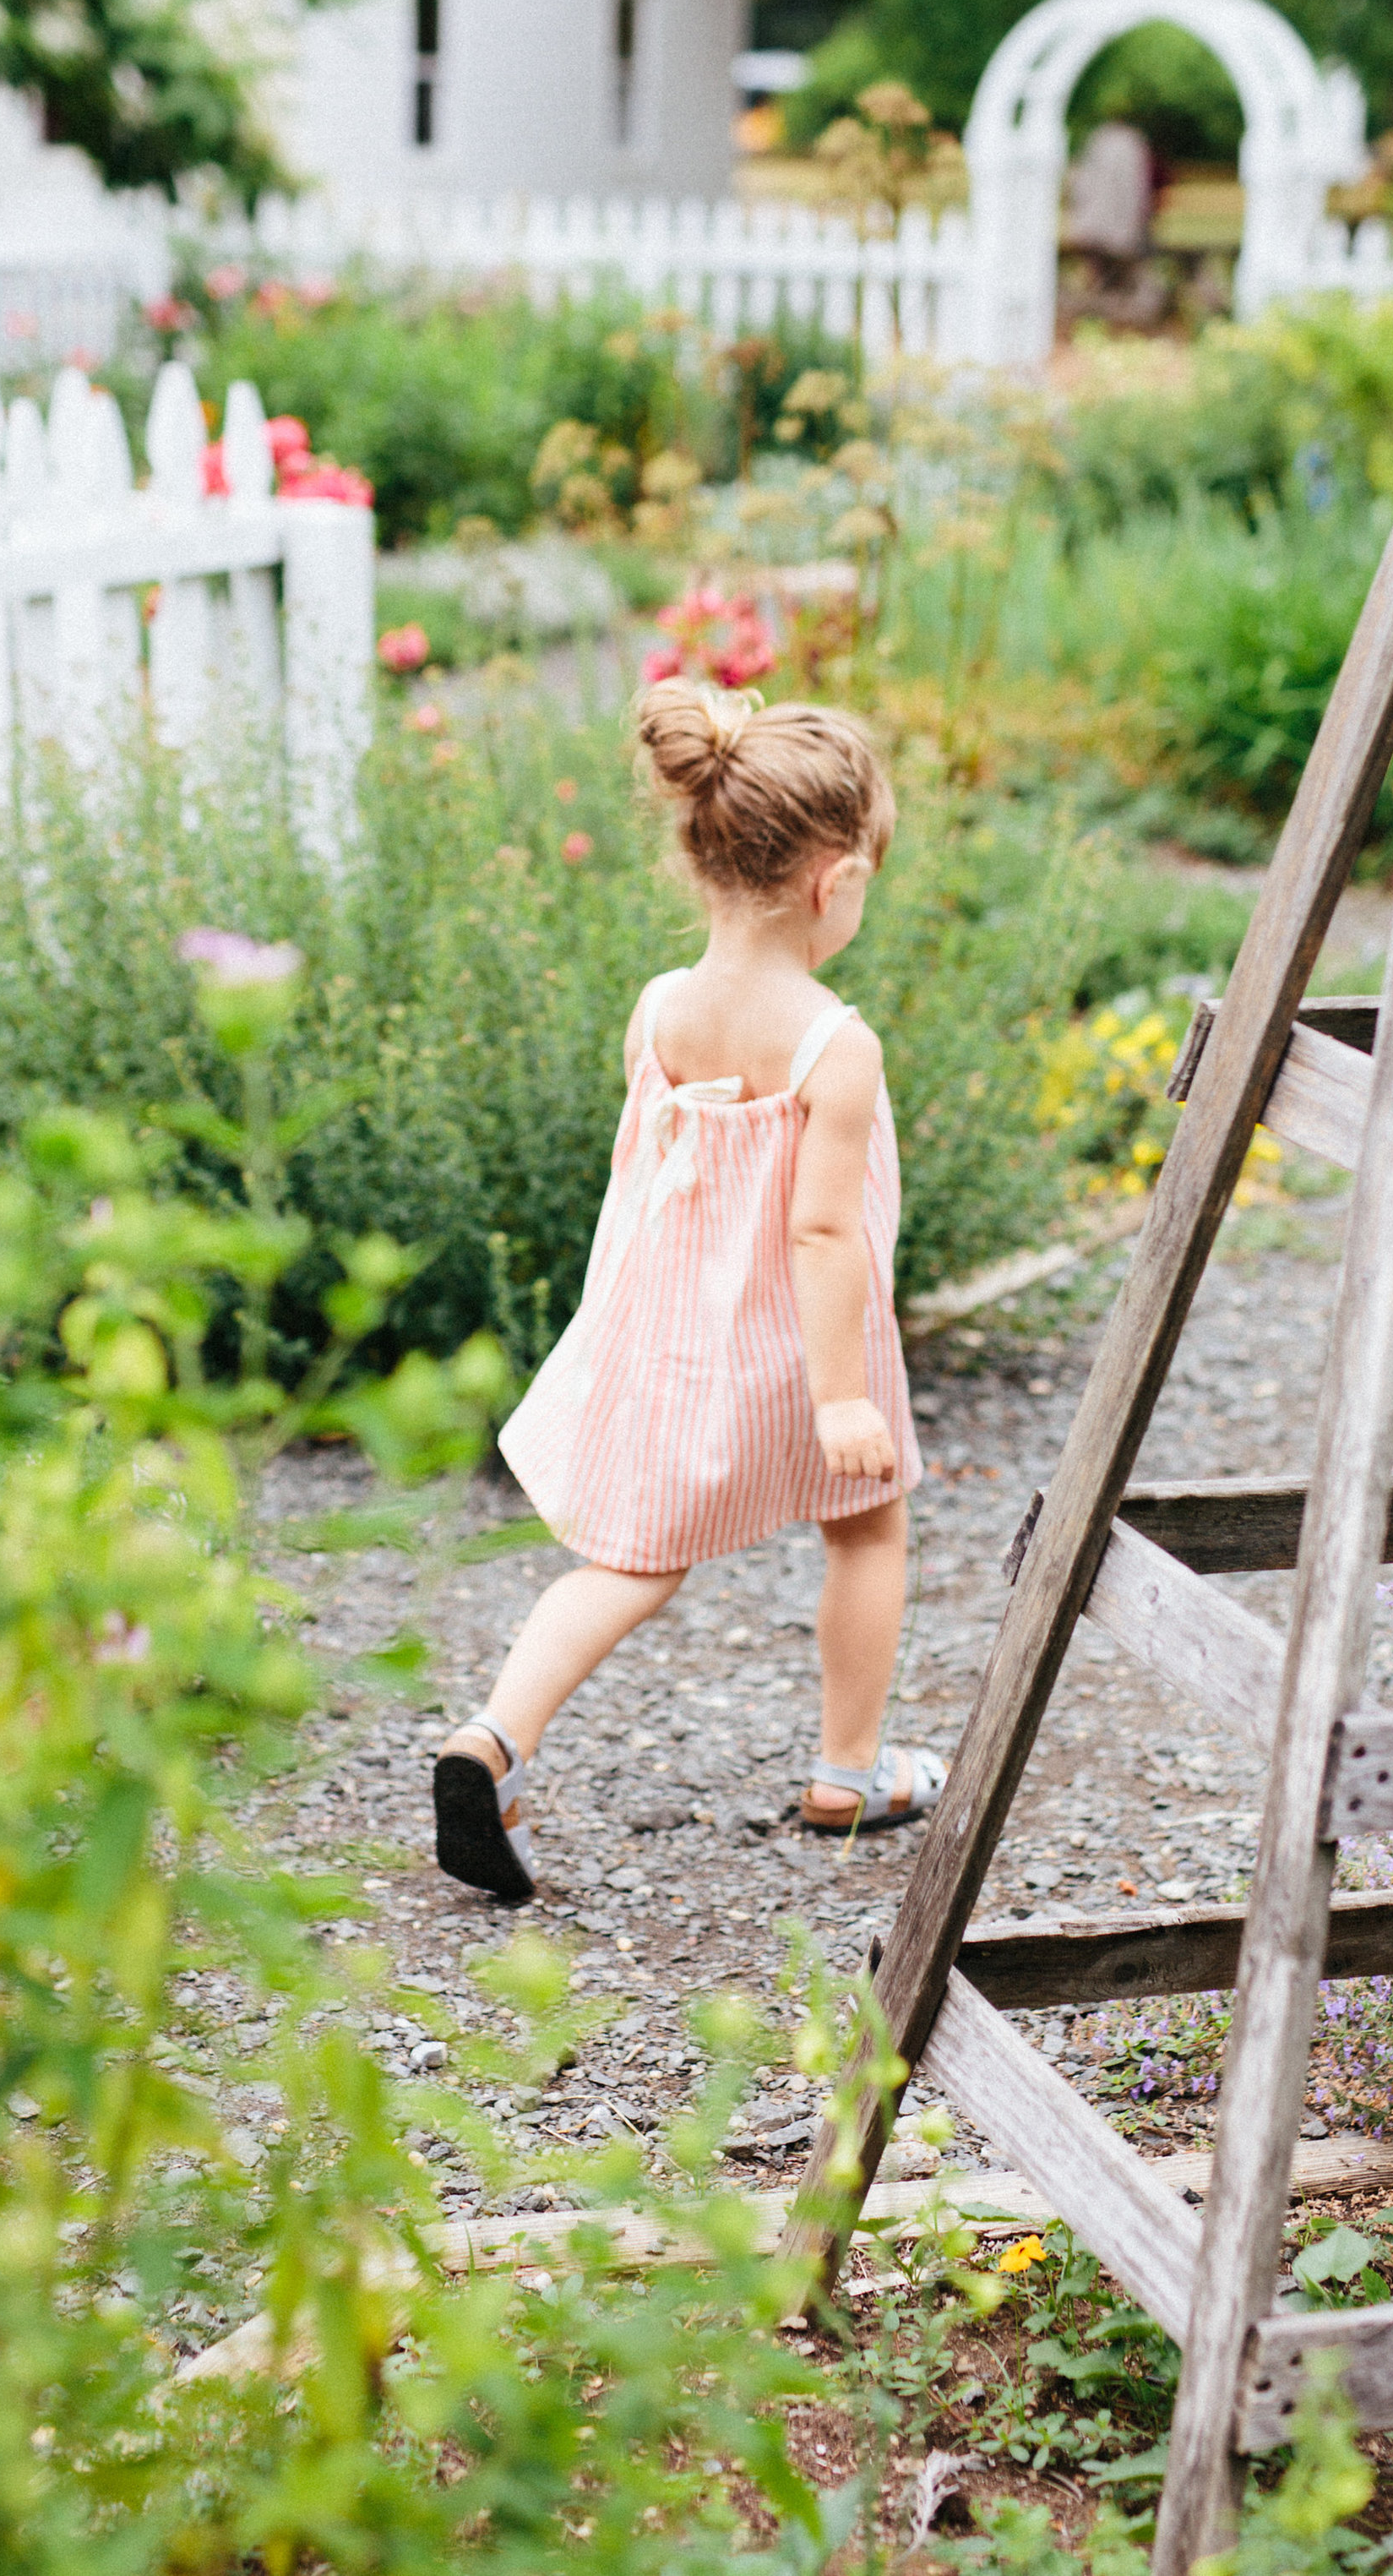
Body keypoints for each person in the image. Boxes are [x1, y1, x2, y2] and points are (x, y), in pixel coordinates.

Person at [432, 678, 944, 1903]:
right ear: (838, 882)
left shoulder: (660, 1010)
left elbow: (657, 1181)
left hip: (673, 1342)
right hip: (809, 1354)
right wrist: (837, 1400)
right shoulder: (833, 1040)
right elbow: (821, 1231)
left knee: (629, 1561)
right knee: (867, 1522)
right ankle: (848, 1769)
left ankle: (490, 1740)